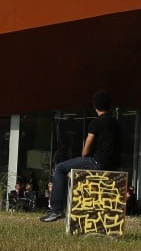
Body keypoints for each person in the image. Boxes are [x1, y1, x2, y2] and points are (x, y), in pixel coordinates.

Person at [41, 90, 121, 223]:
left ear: (95, 106)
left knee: (60, 168)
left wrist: (85, 156)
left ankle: (56, 209)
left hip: (98, 162)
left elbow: (86, 149)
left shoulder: (96, 123)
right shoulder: (117, 123)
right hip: (114, 164)